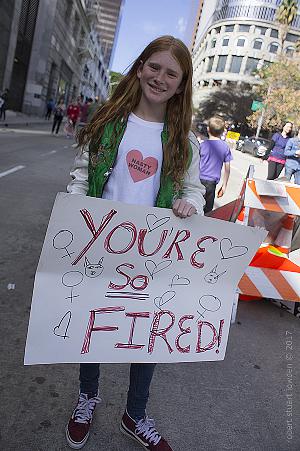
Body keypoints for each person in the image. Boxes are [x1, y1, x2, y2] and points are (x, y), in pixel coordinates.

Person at [65, 35, 205, 450]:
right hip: (100, 250)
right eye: (154, 67)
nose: (160, 78)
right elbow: (79, 178)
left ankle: (135, 414)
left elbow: (193, 191)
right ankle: (87, 396)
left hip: (153, 258)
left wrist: (188, 205)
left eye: (171, 74)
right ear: (140, 68)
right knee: (93, 328)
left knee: (147, 337)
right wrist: (72, 219)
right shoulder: (108, 123)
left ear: (181, 85)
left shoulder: (185, 142)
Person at [199, 116, 233, 214]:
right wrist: (224, 185)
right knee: (207, 212)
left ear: (208, 129)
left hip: (198, 180)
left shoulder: (202, 145)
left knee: (194, 205)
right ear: (223, 132)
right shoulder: (225, 147)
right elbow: (227, 169)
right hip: (211, 184)